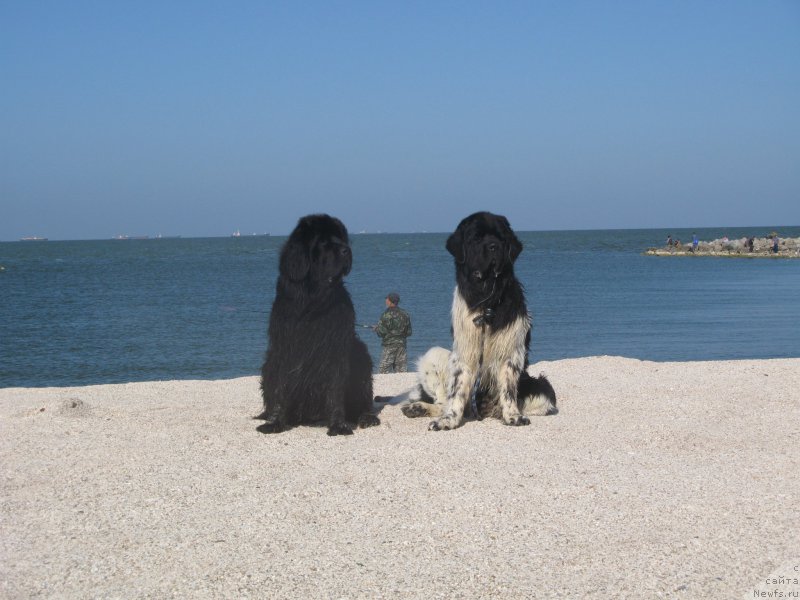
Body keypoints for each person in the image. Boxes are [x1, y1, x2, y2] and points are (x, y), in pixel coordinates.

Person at [374, 292, 412, 373]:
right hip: (401, 346)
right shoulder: (405, 314)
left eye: (387, 299)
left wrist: (377, 329)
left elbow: (381, 333)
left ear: (390, 301)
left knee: (383, 372)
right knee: (402, 372)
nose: (385, 301)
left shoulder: (385, 315)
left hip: (389, 346)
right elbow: (409, 332)